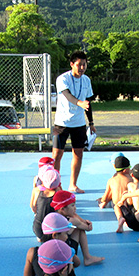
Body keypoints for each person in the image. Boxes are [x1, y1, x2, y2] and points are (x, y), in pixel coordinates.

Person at [52, 51, 96, 194]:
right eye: (79, 65)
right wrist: (79, 103)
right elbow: (67, 95)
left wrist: (91, 123)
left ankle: (73, 184)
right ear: (72, 64)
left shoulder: (86, 80)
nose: (82, 68)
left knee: (78, 154)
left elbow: (88, 103)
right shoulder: (62, 79)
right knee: (57, 155)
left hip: (79, 124)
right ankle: (55, 186)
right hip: (62, 122)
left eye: (84, 65)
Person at [51, 190, 104, 266]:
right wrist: (88, 224)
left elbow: (81, 221)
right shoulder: (72, 220)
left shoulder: (55, 216)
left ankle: (87, 258)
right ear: (62, 209)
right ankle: (87, 257)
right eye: (72, 206)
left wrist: (78, 217)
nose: (75, 208)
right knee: (80, 229)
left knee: (77, 227)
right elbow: (88, 228)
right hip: (66, 255)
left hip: (55, 251)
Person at [97, 155, 134, 223]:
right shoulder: (130, 179)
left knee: (113, 194)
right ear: (125, 170)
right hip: (129, 205)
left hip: (117, 204)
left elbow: (105, 197)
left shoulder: (111, 180)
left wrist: (102, 200)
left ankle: (120, 217)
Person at [32, 168, 61, 240]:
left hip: (38, 230)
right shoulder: (58, 192)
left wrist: (37, 213)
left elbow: (32, 206)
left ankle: (41, 237)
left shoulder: (36, 190)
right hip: (53, 231)